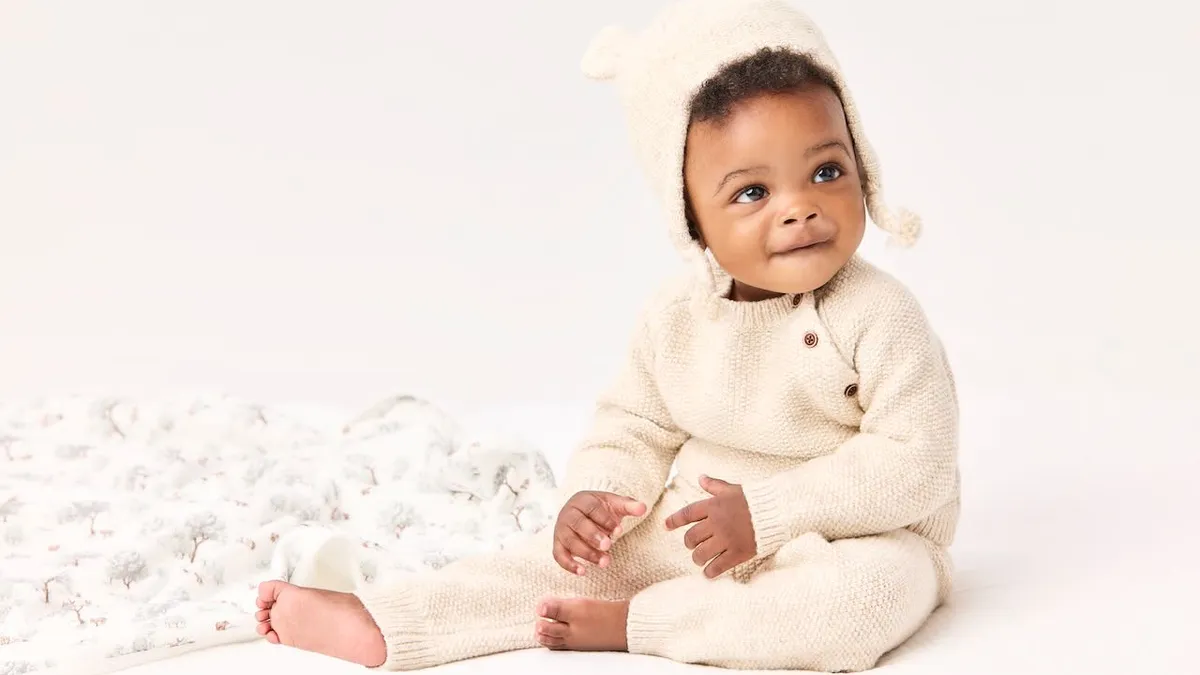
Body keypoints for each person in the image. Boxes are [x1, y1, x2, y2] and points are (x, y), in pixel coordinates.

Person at [253, 0, 960, 671]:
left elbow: (915, 461)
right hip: (703, 525)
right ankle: (390, 618)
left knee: (859, 604)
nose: (800, 208)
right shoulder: (677, 317)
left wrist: (770, 514)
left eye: (826, 171)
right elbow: (635, 423)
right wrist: (598, 494)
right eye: (753, 192)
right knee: (560, 563)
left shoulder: (880, 315)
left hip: (859, 535)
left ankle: (639, 624)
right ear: (690, 216)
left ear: (862, 165)